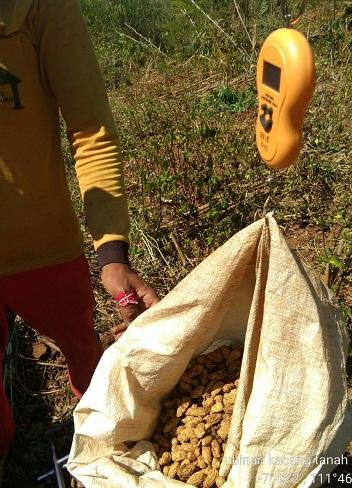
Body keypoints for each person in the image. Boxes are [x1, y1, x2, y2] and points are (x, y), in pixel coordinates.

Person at [0, 0, 159, 468]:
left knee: (86, 357)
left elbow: (90, 129)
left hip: (43, 249)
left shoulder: (38, 10)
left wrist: (111, 252)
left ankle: (104, 446)